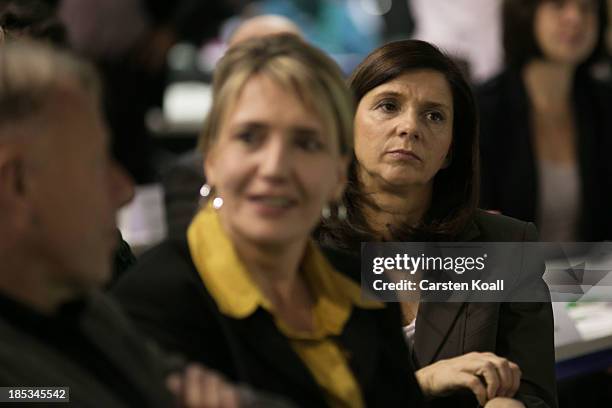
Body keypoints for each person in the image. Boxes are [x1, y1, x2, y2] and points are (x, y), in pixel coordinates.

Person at [113, 34, 424, 408]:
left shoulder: (358, 287)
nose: (275, 167)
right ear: (211, 158)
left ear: (339, 174)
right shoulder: (156, 296)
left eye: (306, 143)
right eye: (250, 137)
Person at [0, 40, 267, 408]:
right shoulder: (171, 285)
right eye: (95, 164)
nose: (124, 190)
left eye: (307, 141)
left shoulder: (83, 309)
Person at [316, 39, 556, 408]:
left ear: (450, 151)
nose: (409, 127)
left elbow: (536, 391)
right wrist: (420, 384)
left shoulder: (508, 246)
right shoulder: (302, 244)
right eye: (388, 106)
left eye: (434, 116)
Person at [478, 0, 612, 241]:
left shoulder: (604, 103)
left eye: (588, 8)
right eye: (559, 4)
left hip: (593, 274)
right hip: (507, 274)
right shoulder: (483, 109)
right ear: (526, 13)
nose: (575, 18)